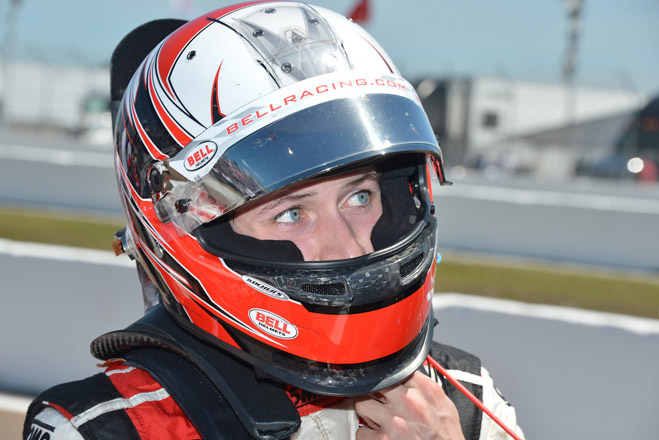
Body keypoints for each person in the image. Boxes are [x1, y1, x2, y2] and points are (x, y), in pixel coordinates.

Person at [23, 2, 524, 439]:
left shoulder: (463, 400)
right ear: (189, 227)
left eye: (360, 196)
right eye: (291, 213)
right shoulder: (105, 428)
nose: (350, 246)